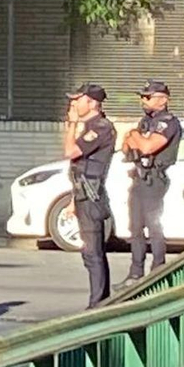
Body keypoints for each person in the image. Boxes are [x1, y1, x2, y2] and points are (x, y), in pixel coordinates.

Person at [120, 80, 181, 289]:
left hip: (155, 179)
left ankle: (157, 273)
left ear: (163, 99)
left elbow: (147, 147)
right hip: (139, 177)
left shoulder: (168, 122)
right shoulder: (146, 122)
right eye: (142, 97)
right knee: (135, 227)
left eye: (147, 97)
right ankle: (135, 273)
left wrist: (134, 135)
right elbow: (127, 148)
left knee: (154, 227)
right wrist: (134, 138)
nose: (143, 101)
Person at [64, 83, 116, 307]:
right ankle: (99, 300)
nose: (74, 105)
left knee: (93, 253)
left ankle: (98, 304)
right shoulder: (90, 127)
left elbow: (70, 152)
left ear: (92, 103)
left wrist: (72, 123)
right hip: (83, 195)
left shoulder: (101, 127)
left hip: (92, 199)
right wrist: (72, 202)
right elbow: (79, 169)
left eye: (78, 100)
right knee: (90, 253)